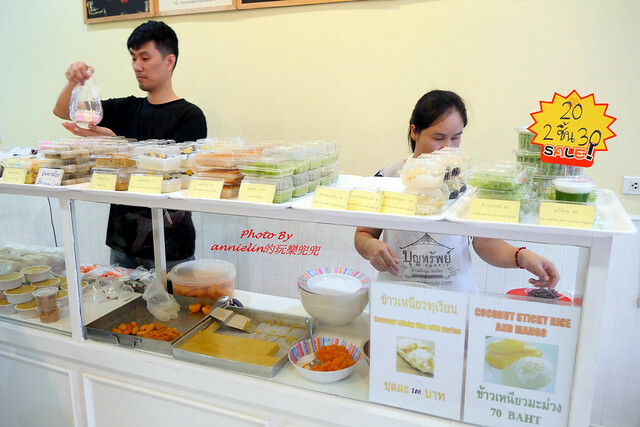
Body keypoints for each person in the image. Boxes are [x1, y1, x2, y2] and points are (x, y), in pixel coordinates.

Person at [354, 90, 559, 292]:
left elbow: (485, 243)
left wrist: (522, 256)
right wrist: (370, 247)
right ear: (414, 132)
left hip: (454, 301)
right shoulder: (387, 178)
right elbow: (363, 234)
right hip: (398, 296)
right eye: (438, 137)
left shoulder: (467, 181)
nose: (448, 147)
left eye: (455, 138)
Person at [53, 20, 207, 270]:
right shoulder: (126, 108)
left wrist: (117, 145)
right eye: (134, 58)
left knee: (173, 297)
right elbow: (63, 111)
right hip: (122, 243)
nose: (137, 66)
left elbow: (172, 174)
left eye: (145, 58)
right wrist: (74, 82)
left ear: (169, 61)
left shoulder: (190, 116)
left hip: (170, 246)